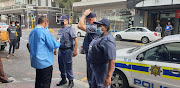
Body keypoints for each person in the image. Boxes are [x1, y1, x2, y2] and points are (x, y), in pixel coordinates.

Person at [28, 16, 61, 88]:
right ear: (45, 23)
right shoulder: (45, 32)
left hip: (36, 62)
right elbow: (53, 45)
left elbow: (29, 45)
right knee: (45, 83)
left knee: (38, 82)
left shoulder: (33, 31)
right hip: (45, 62)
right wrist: (59, 42)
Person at [88, 18, 116, 88]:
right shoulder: (99, 36)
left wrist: (108, 76)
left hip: (102, 69)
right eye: (97, 26)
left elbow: (112, 60)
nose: (97, 28)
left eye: (99, 26)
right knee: (94, 85)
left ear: (105, 28)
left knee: (102, 86)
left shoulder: (108, 40)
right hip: (96, 69)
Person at [55, 15, 78, 88]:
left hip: (67, 50)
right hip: (60, 50)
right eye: (60, 21)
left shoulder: (70, 29)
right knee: (61, 65)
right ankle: (63, 79)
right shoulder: (60, 30)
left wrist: (75, 50)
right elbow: (58, 39)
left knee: (68, 66)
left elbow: (76, 40)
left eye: (62, 20)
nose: (61, 22)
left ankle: (71, 81)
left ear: (67, 21)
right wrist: (55, 49)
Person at [78, 9, 98, 87]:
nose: (85, 21)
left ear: (89, 19)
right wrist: (84, 45)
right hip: (89, 54)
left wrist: (84, 14)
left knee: (92, 75)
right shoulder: (92, 27)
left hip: (92, 56)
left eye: (86, 19)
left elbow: (79, 25)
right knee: (90, 75)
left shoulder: (94, 27)